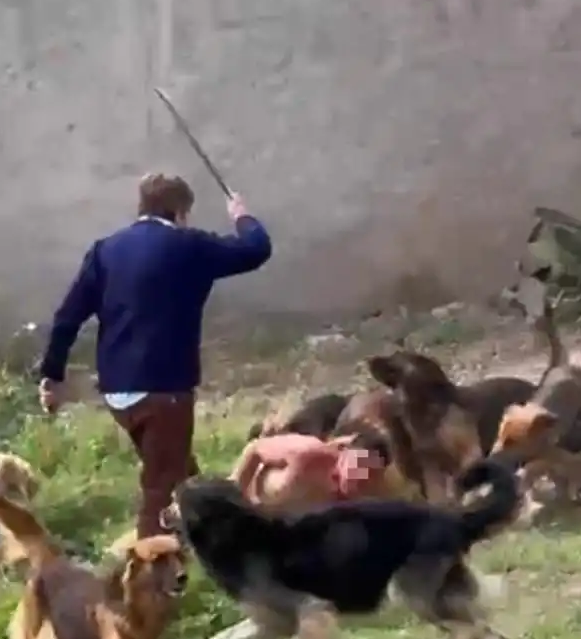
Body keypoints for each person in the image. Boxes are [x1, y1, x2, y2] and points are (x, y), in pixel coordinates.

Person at [38, 173, 272, 537]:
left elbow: (67, 317)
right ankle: (149, 574)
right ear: (180, 211)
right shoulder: (190, 245)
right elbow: (257, 249)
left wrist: (51, 376)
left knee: (176, 467)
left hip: (118, 392)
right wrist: (241, 215)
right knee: (160, 491)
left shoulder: (105, 250)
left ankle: (218, 535)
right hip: (164, 391)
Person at [230, 429, 398, 510]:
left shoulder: (357, 504)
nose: (362, 477)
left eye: (372, 474)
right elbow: (256, 448)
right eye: (360, 464)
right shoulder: (307, 453)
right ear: (345, 451)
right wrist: (232, 497)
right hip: (250, 504)